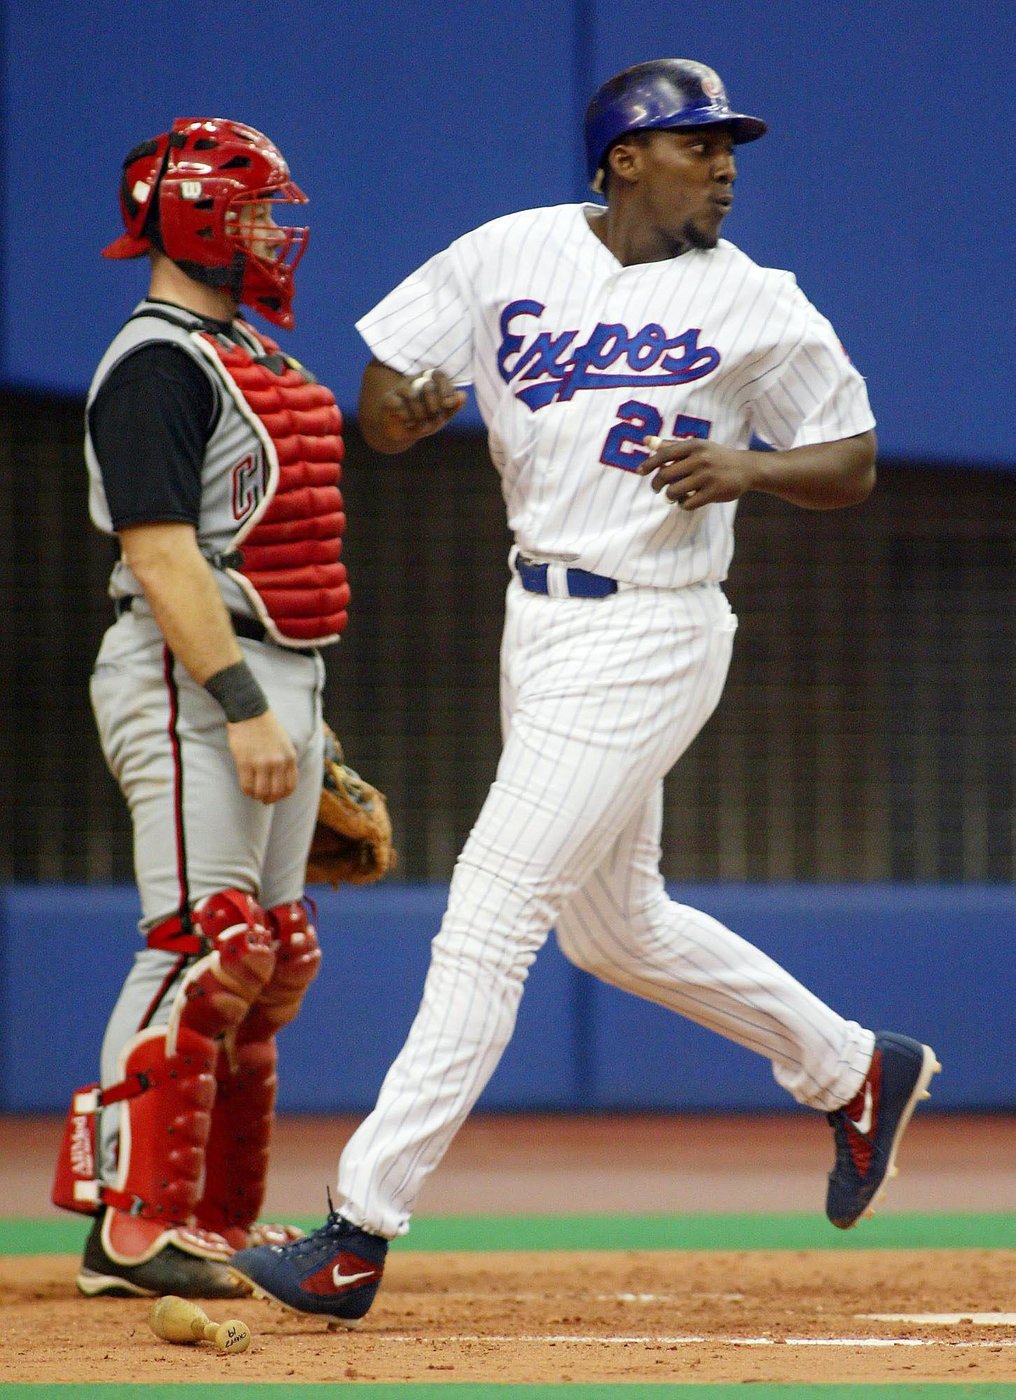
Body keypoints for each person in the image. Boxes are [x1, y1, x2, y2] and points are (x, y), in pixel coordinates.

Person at [230, 59, 940, 1323]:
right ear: (622, 158)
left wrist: (749, 468)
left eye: (729, 147)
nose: (724, 165)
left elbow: (853, 460)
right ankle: (850, 1068)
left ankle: (356, 1229)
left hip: (652, 626)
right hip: (536, 618)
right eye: (696, 144)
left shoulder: (756, 301)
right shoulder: (509, 250)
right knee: (612, 927)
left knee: (491, 911)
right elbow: (383, 400)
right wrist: (414, 406)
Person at [50, 118, 350, 1298]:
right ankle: (131, 1226)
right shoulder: (157, 360)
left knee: (271, 959)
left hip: (279, 675)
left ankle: (213, 1221)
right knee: (203, 939)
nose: (277, 232)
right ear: (192, 214)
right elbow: (165, 554)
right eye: (259, 208)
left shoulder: (249, 355)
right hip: (188, 677)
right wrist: (239, 701)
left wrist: (299, 714)